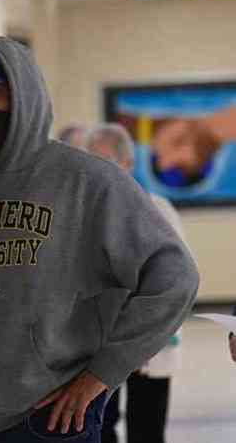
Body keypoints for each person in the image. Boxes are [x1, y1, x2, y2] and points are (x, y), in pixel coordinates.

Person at [0, 36, 198, 443]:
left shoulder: (87, 181)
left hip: (47, 418)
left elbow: (173, 278)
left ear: (23, 96)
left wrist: (102, 375)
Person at [84, 123, 185, 443]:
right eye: (92, 160)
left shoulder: (158, 210)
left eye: (107, 160)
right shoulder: (84, 212)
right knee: (100, 426)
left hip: (149, 344)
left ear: (128, 163)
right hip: (97, 345)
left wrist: (145, 338)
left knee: (146, 429)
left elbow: (177, 280)